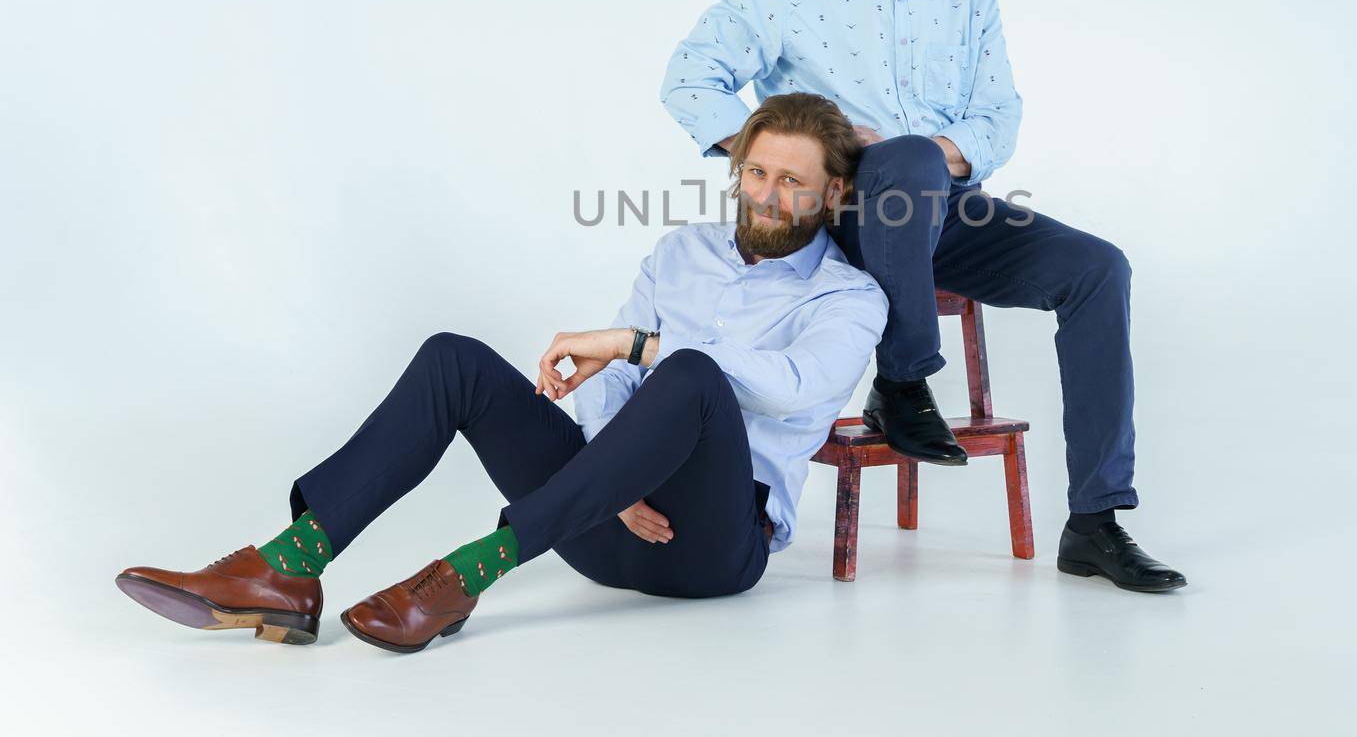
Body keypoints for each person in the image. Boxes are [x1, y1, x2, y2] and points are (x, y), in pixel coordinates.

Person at [115, 93, 889, 651]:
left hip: (714, 545)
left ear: (834, 191)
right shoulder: (681, 253)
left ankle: (464, 575)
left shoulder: (850, 296)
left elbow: (794, 385)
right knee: (456, 358)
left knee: (688, 371)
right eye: (757, 172)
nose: (769, 194)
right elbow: (612, 390)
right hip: (594, 524)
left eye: (793, 181)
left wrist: (634, 344)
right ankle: (291, 564)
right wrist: (611, 478)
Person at [659, 0, 1185, 591]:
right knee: (899, 161)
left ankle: (1096, 520)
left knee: (1097, 268)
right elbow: (689, 79)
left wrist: (932, 158)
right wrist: (790, 164)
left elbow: (998, 115)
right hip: (835, 214)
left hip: (936, 207)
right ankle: (902, 381)